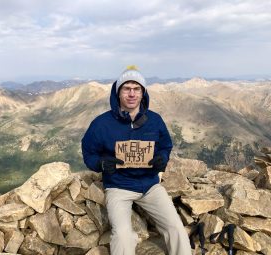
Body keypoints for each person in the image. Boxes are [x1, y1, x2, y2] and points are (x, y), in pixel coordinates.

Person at [81, 66, 192, 255]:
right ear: (118, 93)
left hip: (150, 185)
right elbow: (88, 153)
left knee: (176, 228)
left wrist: (161, 159)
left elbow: (165, 145)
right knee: (123, 236)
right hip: (118, 186)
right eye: (127, 88)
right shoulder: (101, 124)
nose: (131, 94)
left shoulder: (155, 120)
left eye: (136, 88)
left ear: (143, 93)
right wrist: (100, 164)